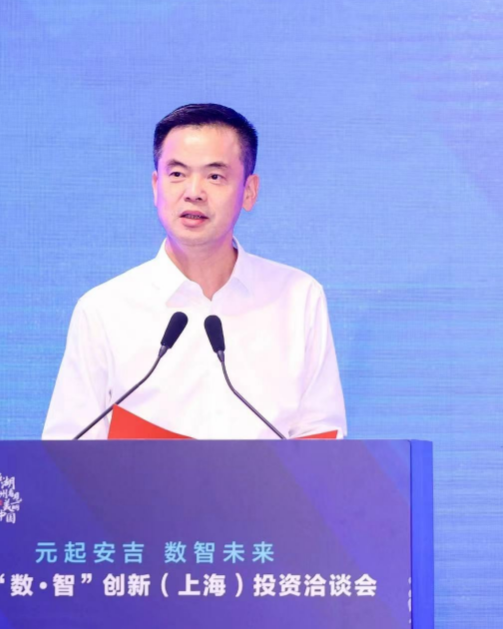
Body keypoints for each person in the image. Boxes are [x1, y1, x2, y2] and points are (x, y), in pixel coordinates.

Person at [42, 104, 346, 439]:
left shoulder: (298, 297)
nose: (193, 192)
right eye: (177, 174)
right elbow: (67, 449)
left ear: (249, 191)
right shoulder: (104, 310)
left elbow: (323, 438)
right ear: (156, 186)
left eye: (215, 176)